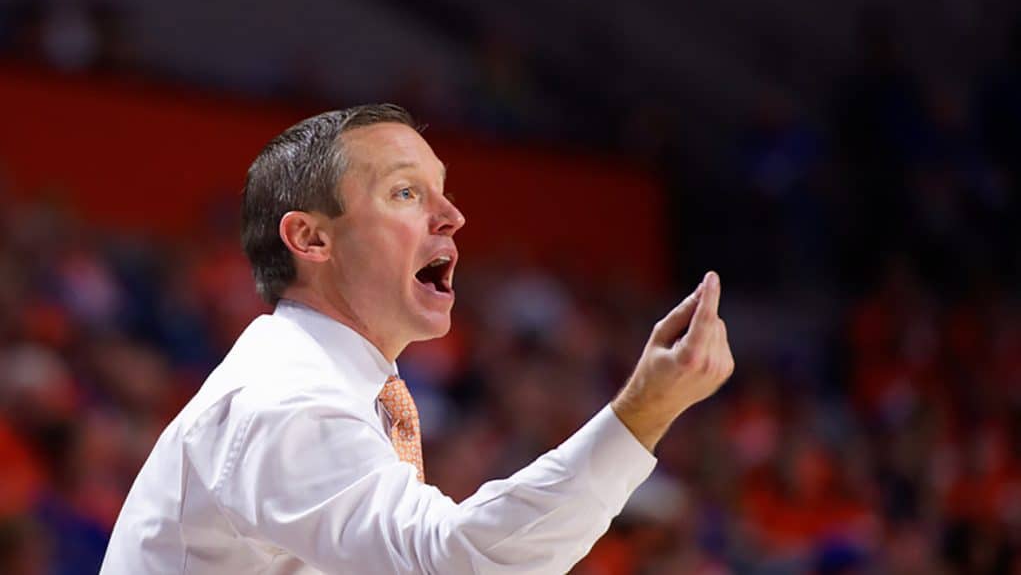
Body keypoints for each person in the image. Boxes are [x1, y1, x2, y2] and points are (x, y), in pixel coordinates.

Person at [99, 104, 734, 574]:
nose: (453, 216)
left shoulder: (338, 386)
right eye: (406, 192)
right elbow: (449, 564)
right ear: (311, 239)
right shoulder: (283, 399)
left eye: (442, 191)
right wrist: (643, 413)